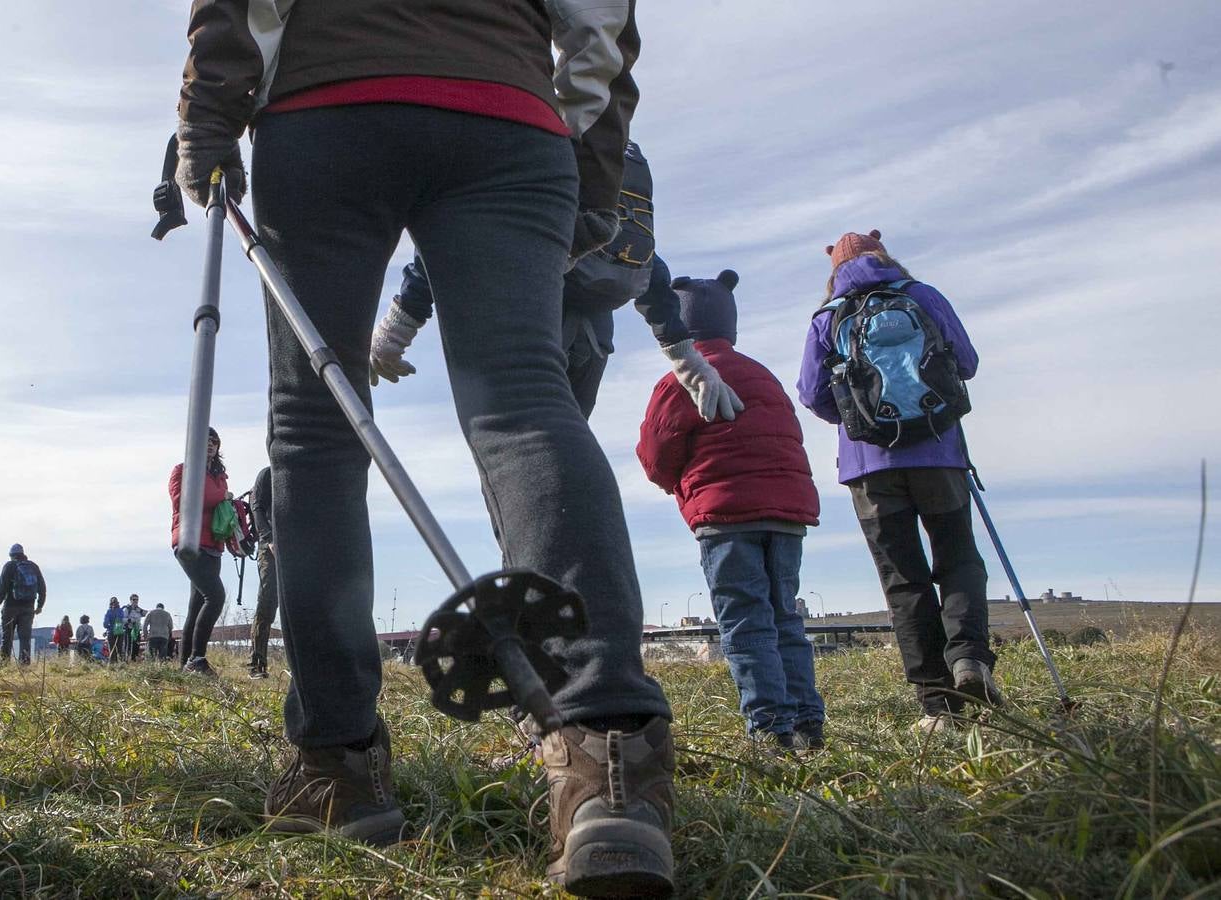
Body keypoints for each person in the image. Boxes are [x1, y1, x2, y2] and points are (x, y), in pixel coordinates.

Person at [174, 3, 676, 893]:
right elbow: (600, 17)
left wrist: (210, 122)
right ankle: (610, 763)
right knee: (524, 398)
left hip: (326, 112)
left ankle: (337, 762)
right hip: (506, 118)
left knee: (314, 427)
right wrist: (591, 167)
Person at [797, 230, 1000, 732]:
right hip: (939, 453)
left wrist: (858, 419)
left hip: (870, 469)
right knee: (958, 558)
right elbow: (967, 363)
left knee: (903, 580)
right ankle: (969, 659)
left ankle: (938, 706)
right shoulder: (922, 297)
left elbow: (811, 393)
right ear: (885, 257)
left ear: (834, 270)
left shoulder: (828, 317)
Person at [376, 145, 742, 423]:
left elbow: (449, 236)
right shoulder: (610, 149)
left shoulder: (520, 139)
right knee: (568, 447)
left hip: (528, 328)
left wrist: (396, 331)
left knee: (514, 450)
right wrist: (686, 358)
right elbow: (646, 261)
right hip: (594, 342)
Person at [637, 270, 826, 750]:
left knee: (744, 623)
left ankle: (770, 730)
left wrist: (672, 483)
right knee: (785, 618)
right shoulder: (761, 373)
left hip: (726, 519)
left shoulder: (681, 377)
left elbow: (656, 453)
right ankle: (807, 723)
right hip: (786, 515)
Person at [169, 427, 229, 675]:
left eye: (214, 441)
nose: (211, 445)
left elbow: (219, 503)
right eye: (205, 440)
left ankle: (185, 667)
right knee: (215, 597)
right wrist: (223, 495)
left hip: (214, 545)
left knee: (196, 604)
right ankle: (198, 659)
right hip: (189, 543)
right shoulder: (181, 470)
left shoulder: (220, 475)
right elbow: (187, 499)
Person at [0, 543, 47, 665]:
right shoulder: (33, 567)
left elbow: (2, 588)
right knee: (25, 638)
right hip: (28, 608)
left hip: (10, 607)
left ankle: (4, 664)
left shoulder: (9, 566)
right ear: (23, 554)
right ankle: (24, 665)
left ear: (11, 555)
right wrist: (40, 605)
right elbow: (42, 587)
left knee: (7, 637)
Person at [247, 467, 275, 679]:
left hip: (299, 547)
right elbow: (257, 509)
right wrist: (269, 539)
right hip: (270, 547)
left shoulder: (302, 470)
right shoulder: (266, 474)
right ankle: (257, 664)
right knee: (266, 603)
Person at [102, 597, 126, 661]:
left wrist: (109, 626)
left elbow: (105, 624)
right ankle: (120, 665)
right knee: (119, 650)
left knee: (112, 650)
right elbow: (122, 620)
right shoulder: (121, 611)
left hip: (111, 632)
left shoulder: (109, 611)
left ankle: (112, 665)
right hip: (119, 632)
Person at [123, 594, 146, 661]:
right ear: (130, 600)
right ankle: (128, 660)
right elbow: (122, 619)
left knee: (136, 645)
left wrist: (140, 611)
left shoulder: (138, 609)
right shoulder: (127, 609)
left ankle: (134, 660)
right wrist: (130, 620)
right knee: (129, 645)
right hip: (129, 629)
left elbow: (147, 614)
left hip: (137, 630)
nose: (135, 601)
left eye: (137, 599)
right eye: (134, 599)